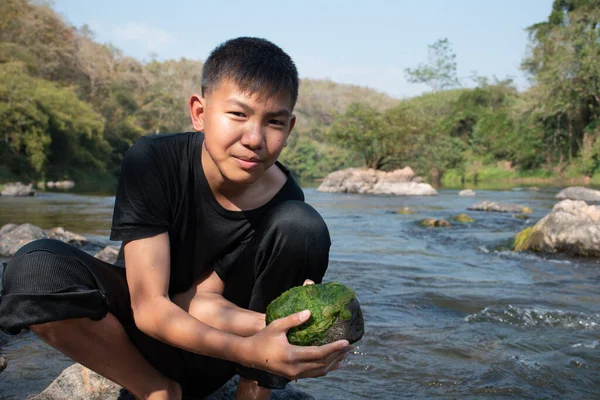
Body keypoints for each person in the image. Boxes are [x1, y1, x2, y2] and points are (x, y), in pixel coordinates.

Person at [0, 37, 351, 399]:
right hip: (139, 337)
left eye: (274, 122)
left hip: (219, 351)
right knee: (33, 269)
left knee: (303, 224)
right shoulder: (152, 161)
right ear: (199, 113)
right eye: (238, 114)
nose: (254, 138)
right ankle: (155, 389)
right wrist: (252, 345)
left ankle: (254, 387)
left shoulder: (285, 200)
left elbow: (202, 302)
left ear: (289, 129)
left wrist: (284, 326)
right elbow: (151, 306)